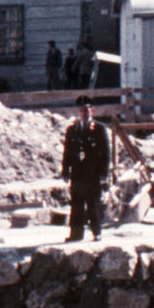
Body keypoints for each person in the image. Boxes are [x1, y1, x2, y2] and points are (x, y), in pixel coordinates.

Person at [61, 95, 111, 240]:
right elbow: (68, 151)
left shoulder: (99, 129)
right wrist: (65, 171)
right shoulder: (72, 129)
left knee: (93, 204)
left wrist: (104, 172)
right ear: (78, 112)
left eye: (87, 110)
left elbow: (105, 152)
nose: (84, 113)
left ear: (92, 111)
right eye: (82, 110)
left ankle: (97, 233)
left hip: (92, 173)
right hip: (77, 173)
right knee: (76, 205)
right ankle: (76, 234)